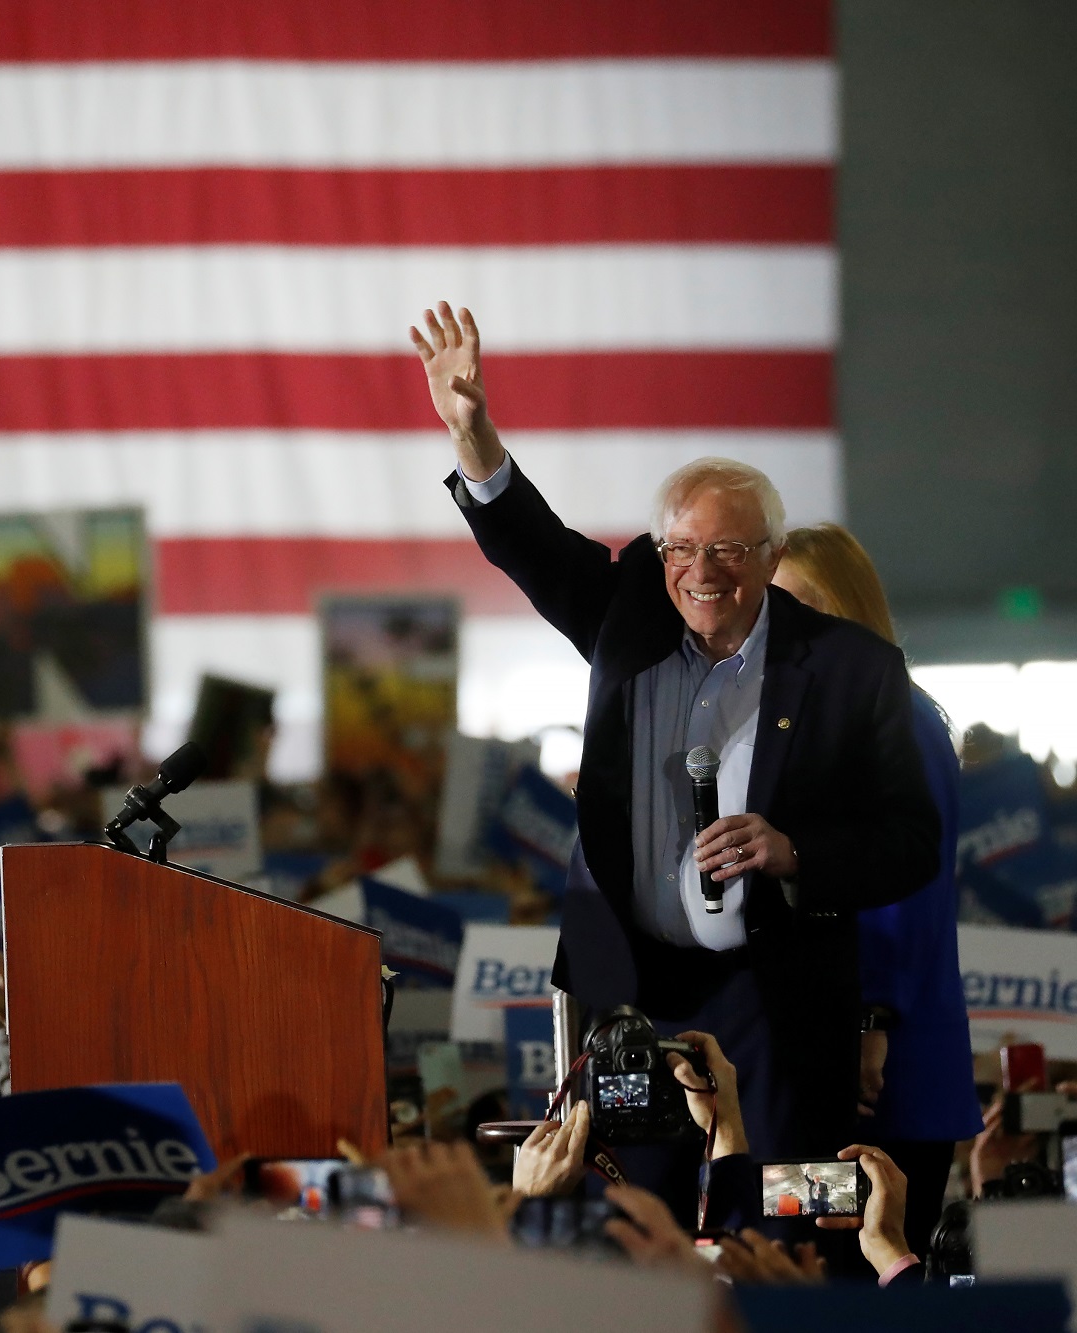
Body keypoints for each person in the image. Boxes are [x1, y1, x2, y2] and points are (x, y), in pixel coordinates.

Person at [412, 304, 940, 1201]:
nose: (701, 571)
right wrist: (473, 434)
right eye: (682, 548)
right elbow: (532, 545)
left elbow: (912, 843)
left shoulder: (852, 669)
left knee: (778, 1212)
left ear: (772, 554)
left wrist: (796, 851)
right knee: (634, 1219)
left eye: (727, 549)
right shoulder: (629, 612)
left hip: (776, 1000)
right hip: (631, 991)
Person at [772, 522, 982, 1255]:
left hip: (882, 1076)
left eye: (799, 602)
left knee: (862, 1271)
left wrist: (870, 1022)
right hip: (830, 1074)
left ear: (846, 606)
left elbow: (905, 890)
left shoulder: (901, 719)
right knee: (807, 1251)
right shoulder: (820, 718)